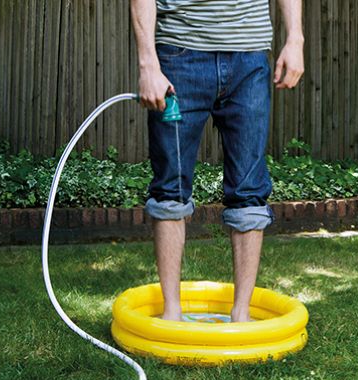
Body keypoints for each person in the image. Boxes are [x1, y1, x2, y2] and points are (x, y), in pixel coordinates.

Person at [130, 0, 304, 322]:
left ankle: (242, 315)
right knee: (171, 185)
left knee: (249, 188)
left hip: (249, 56)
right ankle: (171, 314)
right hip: (179, 54)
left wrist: (295, 38)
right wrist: (147, 64)